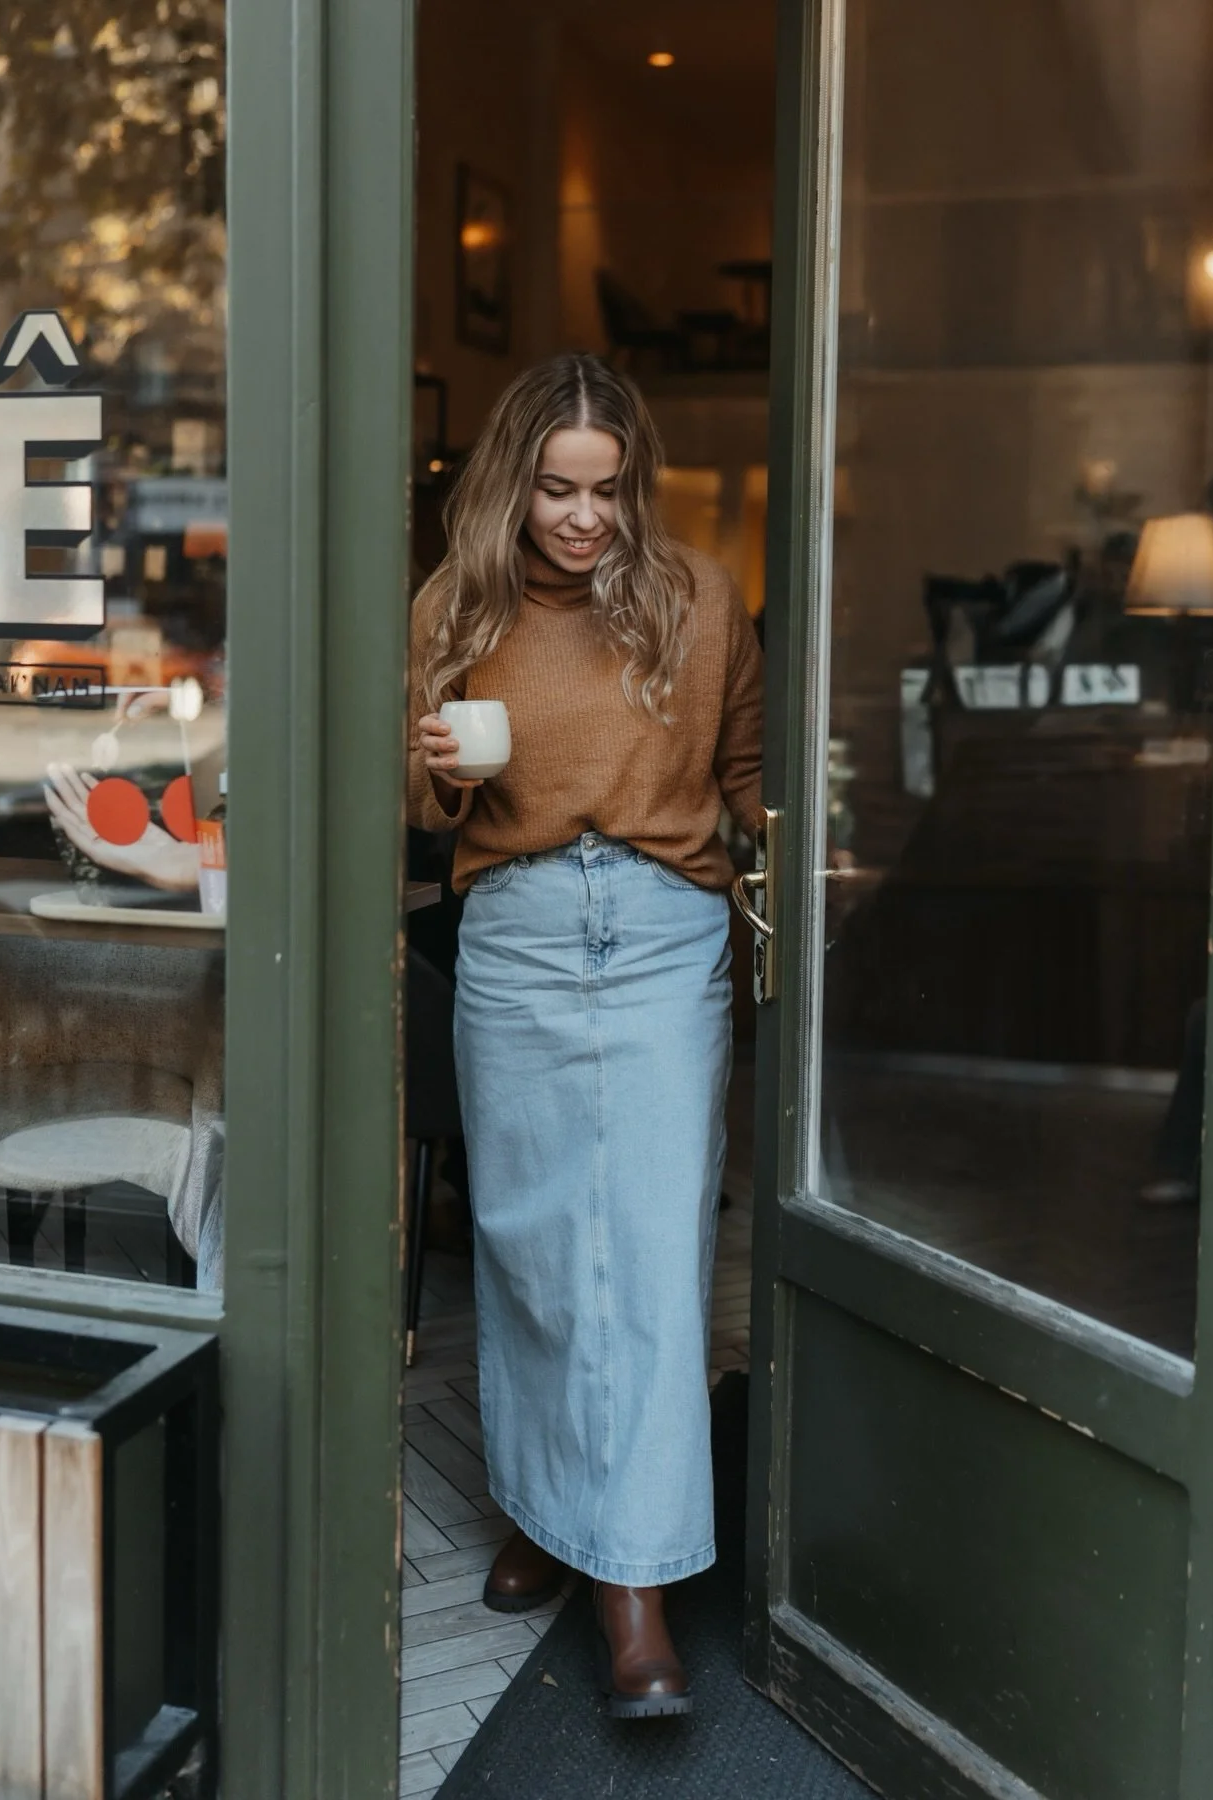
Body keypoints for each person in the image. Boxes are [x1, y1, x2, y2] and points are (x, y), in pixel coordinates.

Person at [408, 353, 762, 1718]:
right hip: (518, 934)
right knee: (535, 1244)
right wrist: (441, 769)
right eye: (556, 489)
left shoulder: (697, 596)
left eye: (607, 491)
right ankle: (548, 1514)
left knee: (655, 1252)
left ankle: (637, 1593)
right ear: (514, 481)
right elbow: (428, 813)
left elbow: (745, 781)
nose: (581, 518)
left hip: (667, 934)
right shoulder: (459, 601)